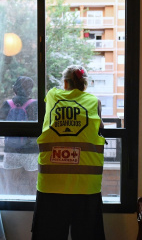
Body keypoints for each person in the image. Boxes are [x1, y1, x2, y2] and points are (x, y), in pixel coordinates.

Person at [31, 65, 106, 240]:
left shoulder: (52, 96)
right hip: (86, 186)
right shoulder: (94, 102)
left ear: (65, 83)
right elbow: (100, 126)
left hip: (51, 184)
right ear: (85, 84)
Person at [0, 76, 38, 195]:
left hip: (11, 151)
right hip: (31, 152)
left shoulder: (7, 104)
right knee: (34, 185)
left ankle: (11, 211)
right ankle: (33, 210)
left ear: (15, 89)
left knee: (11, 186)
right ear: (30, 90)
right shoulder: (35, 105)